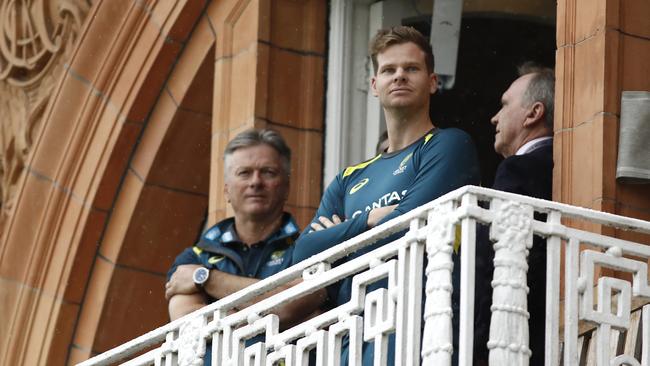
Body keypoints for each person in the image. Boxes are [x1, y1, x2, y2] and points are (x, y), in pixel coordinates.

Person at [292, 26, 481, 365]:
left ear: (433, 81)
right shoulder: (350, 178)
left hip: (422, 328)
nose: (400, 77)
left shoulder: (448, 144)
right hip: (352, 335)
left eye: (411, 69)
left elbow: (405, 230)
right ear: (375, 85)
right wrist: (369, 220)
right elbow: (303, 254)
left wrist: (341, 238)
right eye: (388, 70)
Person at [165, 128, 326, 364]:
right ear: (226, 189)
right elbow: (188, 325)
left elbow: (291, 306)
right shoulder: (194, 257)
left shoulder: (308, 247)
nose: (256, 182)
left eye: (268, 172)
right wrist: (272, 310)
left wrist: (207, 279)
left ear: (286, 186)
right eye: (244, 173)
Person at [474, 63, 555, 366]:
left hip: (512, 337)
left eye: (505, 104)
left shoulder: (519, 168)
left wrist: (478, 345)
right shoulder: (564, 169)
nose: (495, 116)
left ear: (533, 113)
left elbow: (489, 262)